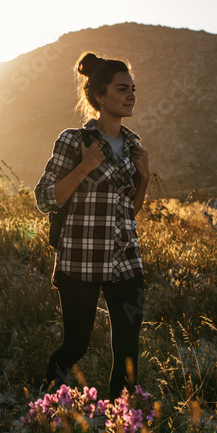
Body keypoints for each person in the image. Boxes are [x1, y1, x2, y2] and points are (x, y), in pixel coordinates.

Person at [35, 52, 152, 400]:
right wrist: (85, 167)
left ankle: (121, 421)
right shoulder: (74, 141)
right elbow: (44, 199)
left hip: (126, 260)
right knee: (77, 343)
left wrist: (143, 179)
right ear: (100, 96)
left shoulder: (134, 146)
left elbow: (129, 214)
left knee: (129, 347)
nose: (130, 95)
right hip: (79, 261)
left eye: (132, 88)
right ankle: (46, 398)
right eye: (122, 89)